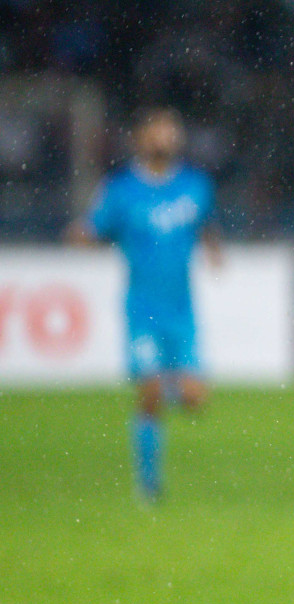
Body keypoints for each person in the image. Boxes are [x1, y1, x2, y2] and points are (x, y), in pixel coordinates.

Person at [67, 108, 219, 502]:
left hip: (182, 310)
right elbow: (96, 227)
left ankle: (171, 386)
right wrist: (81, 235)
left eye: (172, 131)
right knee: (149, 390)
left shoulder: (195, 185)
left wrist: (214, 249)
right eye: (159, 131)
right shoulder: (122, 190)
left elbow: (205, 224)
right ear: (141, 137)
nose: (166, 138)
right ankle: (149, 488)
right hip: (143, 309)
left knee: (193, 399)